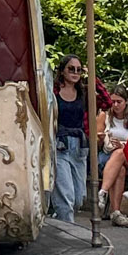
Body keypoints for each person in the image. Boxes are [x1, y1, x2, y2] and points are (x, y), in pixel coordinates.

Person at [49, 56, 90, 221]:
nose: (75, 72)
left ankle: (60, 220)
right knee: (66, 196)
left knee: (79, 198)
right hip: (61, 144)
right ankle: (69, 233)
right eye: (71, 69)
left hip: (79, 146)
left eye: (78, 69)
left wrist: (90, 74)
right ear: (62, 71)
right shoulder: (54, 92)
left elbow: (106, 100)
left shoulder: (82, 92)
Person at [95, 86, 128, 226]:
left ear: (126, 102)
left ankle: (103, 192)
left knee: (120, 152)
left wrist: (123, 145)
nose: (115, 105)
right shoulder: (104, 116)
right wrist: (100, 138)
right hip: (106, 155)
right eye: (113, 102)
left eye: (119, 102)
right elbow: (96, 145)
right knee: (120, 169)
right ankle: (116, 212)